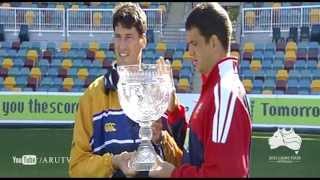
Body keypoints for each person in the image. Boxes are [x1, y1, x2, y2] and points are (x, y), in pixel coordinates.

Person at [68, 2, 187, 178]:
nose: (122, 46)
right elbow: (76, 168)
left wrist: (161, 139)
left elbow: (180, 165)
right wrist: (114, 162)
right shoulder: (93, 95)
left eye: (129, 36)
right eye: (118, 36)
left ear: (143, 40)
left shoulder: (160, 91)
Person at [145, 2, 252, 178]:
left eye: (195, 43)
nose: (190, 52)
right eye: (189, 45)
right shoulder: (214, 88)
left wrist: (173, 174)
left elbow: (225, 174)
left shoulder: (223, 94)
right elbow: (195, 155)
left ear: (214, 42)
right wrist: (173, 110)